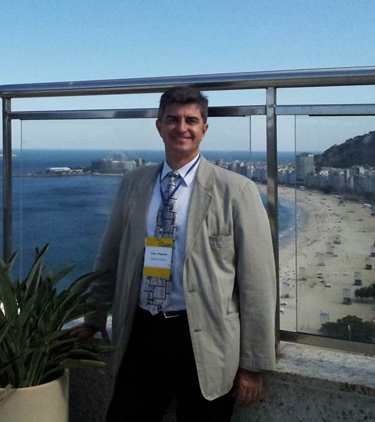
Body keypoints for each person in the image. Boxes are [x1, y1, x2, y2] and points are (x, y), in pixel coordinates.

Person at [72, 85, 276, 422]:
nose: (181, 127)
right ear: (159, 126)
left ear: (204, 129)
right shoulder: (134, 183)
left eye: (191, 120)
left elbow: (257, 282)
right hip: (142, 331)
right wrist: (94, 319)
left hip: (205, 338)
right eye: (173, 119)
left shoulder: (235, 190)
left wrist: (253, 365)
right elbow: (109, 259)